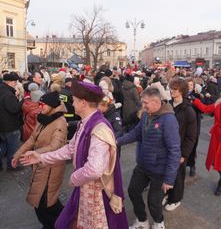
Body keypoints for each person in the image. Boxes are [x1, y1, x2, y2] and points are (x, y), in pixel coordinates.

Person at [20, 80, 128, 229]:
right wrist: (41, 157)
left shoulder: (98, 129)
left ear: (83, 103)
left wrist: (74, 177)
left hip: (96, 193)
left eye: (75, 100)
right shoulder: (84, 123)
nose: (72, 103)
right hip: (86, 188)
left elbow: (94, 169)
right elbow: (70, 149)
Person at [117, 87, 181, 229]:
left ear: (156, 102)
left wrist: (169, 179)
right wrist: (117, 141)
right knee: (133, 191)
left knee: (154, 202)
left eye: (145, 103)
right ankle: (142, 221)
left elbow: (175, 150)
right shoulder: (146, 114)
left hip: (160, 170)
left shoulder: (169, 120)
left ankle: (158, 222)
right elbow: (136, 133)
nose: (143, 106)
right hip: (143, 165)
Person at [12, 91, 68, 229]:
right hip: (39, 164)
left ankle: (60, 224)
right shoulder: (43, 118)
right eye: (39, 103)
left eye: (42, 104)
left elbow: (55, 146)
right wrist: (18, 154)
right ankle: (55, 223)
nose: (40, 106)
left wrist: (36, 154)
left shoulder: (59, 122)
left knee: (45, 201)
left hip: (51, 167)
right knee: (42, 201)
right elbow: (32, 139)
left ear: (52, 106)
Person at [165, 78, 197, 211]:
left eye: (175, 89)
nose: (172, 90)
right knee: (166, 172)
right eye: (171, 88)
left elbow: (191, 136)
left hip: (179, 149)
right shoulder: (167, 104)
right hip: (166, 147)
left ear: (182, 91)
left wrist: (184, 154)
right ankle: (167, 194)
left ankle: (176, 199)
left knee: (178, 175)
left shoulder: (188, 110)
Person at [0, 72, 22, 171]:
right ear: (10, 82)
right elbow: (14, 109)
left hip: (2, 125)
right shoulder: (8, 94)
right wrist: (20, 101)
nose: (16, 84)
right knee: (13, 147)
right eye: (15, 82)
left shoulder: (2, 90)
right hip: (10, 125)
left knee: (4, 146)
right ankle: (12, 166)